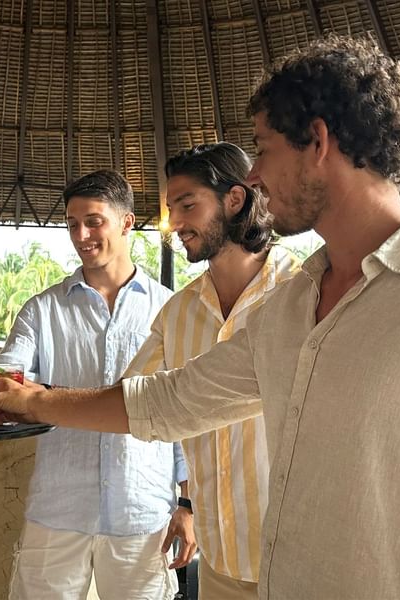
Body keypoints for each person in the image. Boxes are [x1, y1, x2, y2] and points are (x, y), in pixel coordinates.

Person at [0, 35, 400, 599]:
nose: (255, 176)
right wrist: (27, 398)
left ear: (317, 141)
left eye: (262, 149)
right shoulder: (292, 305)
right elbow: (169, 402)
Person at [0, 170, 193, 599]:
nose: (81, 234)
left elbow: (184, 413)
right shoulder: (41, 310)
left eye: (94, 221)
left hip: (142, 515)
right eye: (72, 223)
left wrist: (188, 505)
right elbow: (7, 376)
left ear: (127, 222)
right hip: (57, 511)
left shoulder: (169, 310)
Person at [123, 142, 299, 599]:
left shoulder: (302, 294)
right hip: (219, 565)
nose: (174, 223)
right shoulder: (177, 313)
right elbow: (129, 401)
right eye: (170, 209)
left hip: (299, 562)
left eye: (187, 205)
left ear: (234, 199)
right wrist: (29, 397)